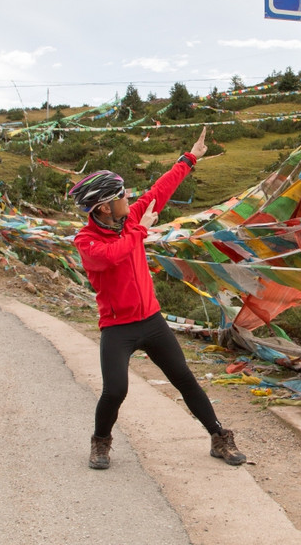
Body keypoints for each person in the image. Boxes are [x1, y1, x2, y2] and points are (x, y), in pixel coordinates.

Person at [68, 127, 246, 469]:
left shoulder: (131, 219)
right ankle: (100, 442)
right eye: (122, 196)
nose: (129, 201)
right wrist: (141, 229)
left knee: (185, 380)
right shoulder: (86, 240)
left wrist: (190, 157)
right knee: (115, 390)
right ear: (104, 208)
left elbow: (160, 190)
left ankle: (219, 437)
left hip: (151, 321)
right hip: (117, 328)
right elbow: (112, 257)